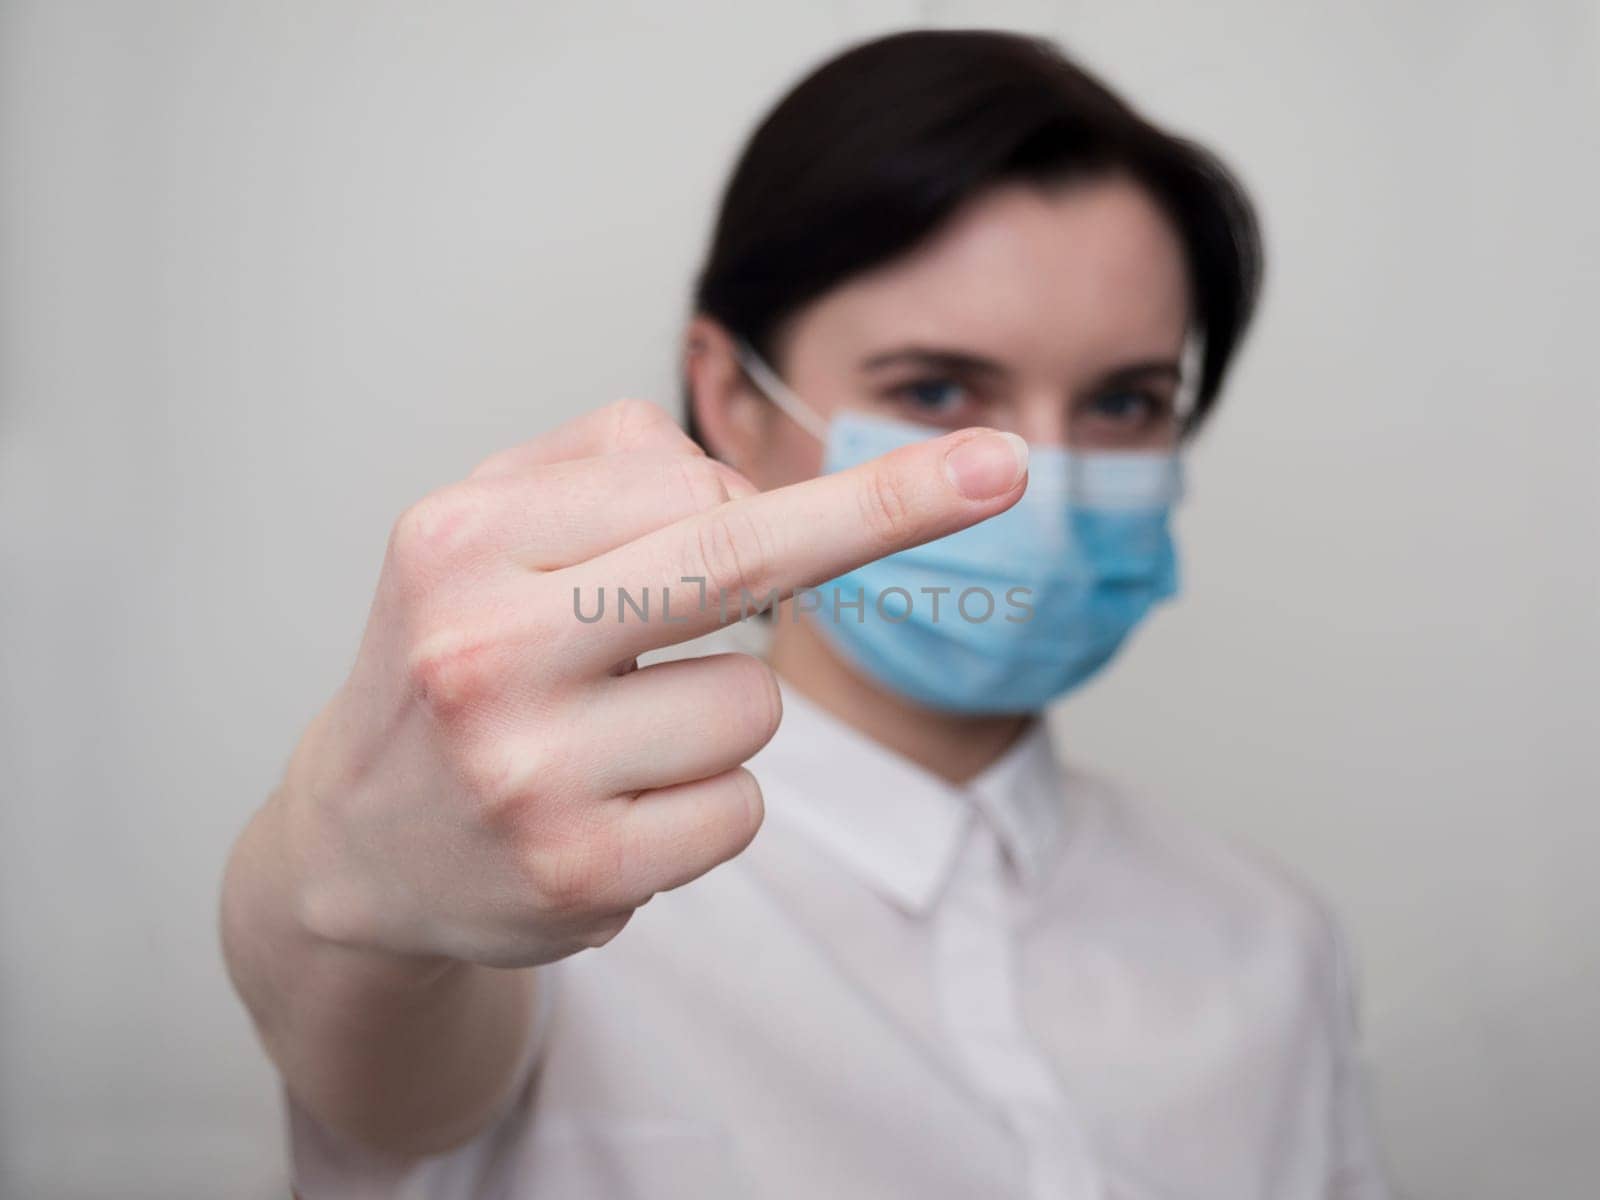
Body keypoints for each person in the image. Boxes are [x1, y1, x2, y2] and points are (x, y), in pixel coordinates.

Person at [222, 29, 1390, 1199]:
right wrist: (341, 863)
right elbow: (371, 982)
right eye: (935, 389)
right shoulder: (546, 899)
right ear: (732, 396)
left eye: (1125, 402)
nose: (1041, 477)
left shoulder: (1273, 948)